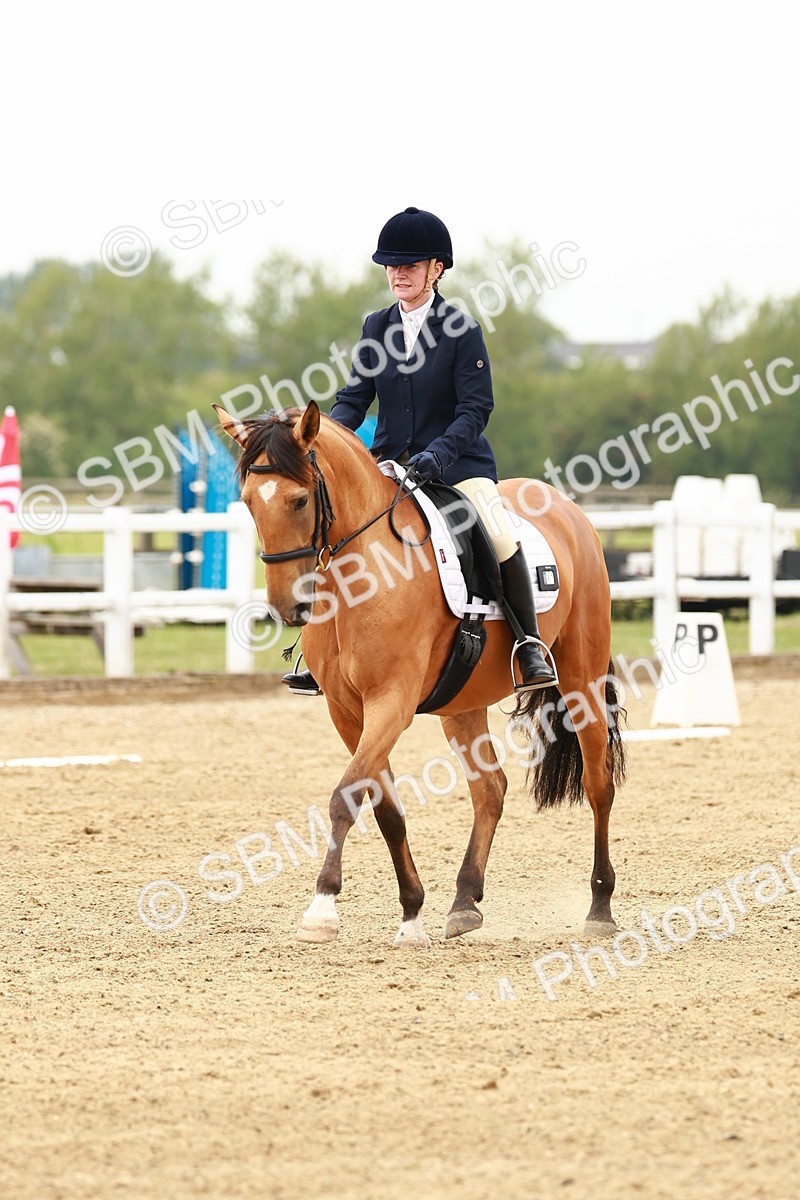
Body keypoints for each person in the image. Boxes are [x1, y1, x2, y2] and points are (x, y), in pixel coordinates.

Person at [283, 206, 557, 696]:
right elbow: (353, 399)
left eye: (409, 265)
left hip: (457, 467)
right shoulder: (376, 326)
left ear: (437, 269)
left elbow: (476, 409)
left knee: (496, 533)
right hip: (389, 464)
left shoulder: (461, 328)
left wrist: (438, 454)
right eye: (391, 265)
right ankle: (322, 650)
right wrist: (318, 437)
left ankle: (528, 643)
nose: (397, 273)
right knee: (335, 530)